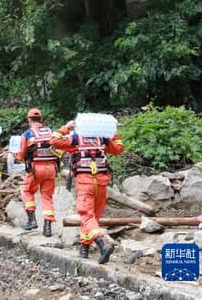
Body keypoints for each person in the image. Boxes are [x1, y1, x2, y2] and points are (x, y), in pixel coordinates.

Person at [50, 119, 124, 264]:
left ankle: (102, 243)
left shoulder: (76, 138)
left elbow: (54, 140)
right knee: (93, 217)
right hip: (101, 183)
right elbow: (119, 149)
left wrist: (66, 126)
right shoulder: (103, 138)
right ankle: (84, 248)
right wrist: (112, 132)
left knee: (86, 214)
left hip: (85, 182)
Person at [16, 108, 57, 236]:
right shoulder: (52, 132)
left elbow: (21, 155)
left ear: (29, 120)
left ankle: (32, 220)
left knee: (27, 191)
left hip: (35, 169)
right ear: (41, 120)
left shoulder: (27, 134)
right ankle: (48, 227)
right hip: (51, 169)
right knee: (47, 196)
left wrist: (15, 155)